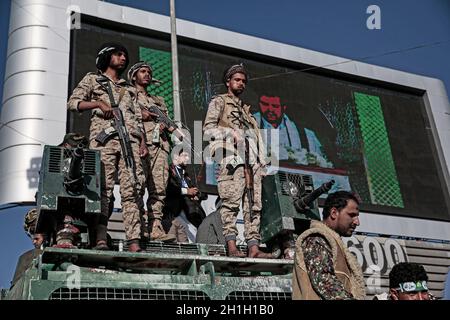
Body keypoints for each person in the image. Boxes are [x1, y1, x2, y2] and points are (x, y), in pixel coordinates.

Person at [67, 43, 148, 252]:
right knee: (104, 189)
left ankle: (134, 241)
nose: (122, 58)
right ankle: (100, 237)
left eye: (124, 55)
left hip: (130, 143)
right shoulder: (92, 79)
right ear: (106, 57)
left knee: (133, 190)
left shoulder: (129, 89)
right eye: (118, 54)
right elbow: (73, 103)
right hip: (104, 142)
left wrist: (142, 142)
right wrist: (97, 104)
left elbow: (137, 118)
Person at [203, 63, 273, 259]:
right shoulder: (220, 102)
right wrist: (229, 132)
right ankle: (231, 246)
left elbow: (256, 138)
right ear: (228, 82)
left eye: (243, 81)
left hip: (253, 164)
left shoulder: (247, 112)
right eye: (237, 80)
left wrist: (262, 161)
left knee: (254, 206)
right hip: (232, 160)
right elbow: (207, 129)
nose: (241, 83)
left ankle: (253, 248)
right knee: (231, 203)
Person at [127, 61, 175, 242]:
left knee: (159, 189)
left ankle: (155, 227)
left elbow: (169, 124)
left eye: (149, 72)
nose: (147, 74)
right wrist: (141, 113)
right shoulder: (128, 95)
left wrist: (164, 125)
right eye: (142, 71)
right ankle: (138, 228)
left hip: (160, 146)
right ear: (133, 76)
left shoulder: (158, 101)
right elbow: (124, 113)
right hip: (139, 144)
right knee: (136, 187)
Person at [292, 190, 365, 300]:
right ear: (334, 213)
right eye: (352, 215)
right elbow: (325, 281)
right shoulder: (317, 238)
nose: (357, 222)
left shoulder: (334, 244)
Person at [253, 94, 333, 168]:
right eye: (265, 104)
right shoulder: (249, 126)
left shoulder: (306, 135)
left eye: (275, 106)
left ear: (283, 108)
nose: (270, 109)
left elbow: (321, 165)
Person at [164, 150, 207, 229]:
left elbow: (203, 191)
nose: (188, 158)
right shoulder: (169, 170)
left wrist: (196, 194)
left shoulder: (187, 174)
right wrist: (187, 191)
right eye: (185, 155)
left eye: (188, 156)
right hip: (175, 210)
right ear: (176, 157)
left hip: (193, 212)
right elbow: (168, 189)